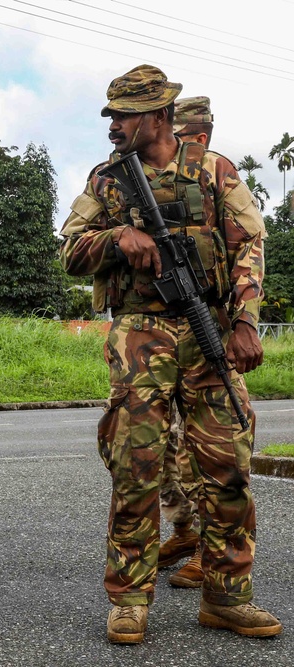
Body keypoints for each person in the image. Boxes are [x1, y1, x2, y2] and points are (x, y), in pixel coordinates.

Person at [59, 65, 281, 643]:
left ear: (158, 116)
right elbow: (70, 251)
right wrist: (115, 239)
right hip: (140, 335)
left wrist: (246, 322)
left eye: (125, 114)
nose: (114, 125)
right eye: (110, 114)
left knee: (228, 468)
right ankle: (129, 599)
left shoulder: (214, 171)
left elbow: (247, 249)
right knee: (136, 469)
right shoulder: (107, 181)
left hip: (208, 330)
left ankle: (227, 597)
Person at [157, 96, 215, 588]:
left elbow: (246, 253)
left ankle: (208, 552)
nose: (194, 143)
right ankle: (184, 530)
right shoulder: (145, 179)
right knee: (163, 450)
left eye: (198, 134)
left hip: (203, 333)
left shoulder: (218, 181)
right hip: (155, 337)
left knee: (205, 453)